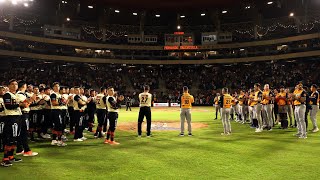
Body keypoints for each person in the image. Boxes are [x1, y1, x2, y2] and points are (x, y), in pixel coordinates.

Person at [1, 79, 25, 167]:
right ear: (9, 86)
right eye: (12, 84)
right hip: (11, 118)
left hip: (18, 117)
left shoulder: (15, 95)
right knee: (10, 138)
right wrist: (20, 104)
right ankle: (5, 158)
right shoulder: (7, 95)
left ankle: (11, 156)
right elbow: (8, 106)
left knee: (15, 138)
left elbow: (18, 106)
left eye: (16, 84)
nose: (14, 86)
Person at [15, 81, 38, 156]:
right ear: (24, 86)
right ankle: (27, 150)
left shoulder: (22, 94)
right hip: (23, 114)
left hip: (23, 114)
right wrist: (31, 99)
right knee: (24, 132)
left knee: (21, 132)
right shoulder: (20, 94)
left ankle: (19, 149)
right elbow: (24, 105)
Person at [50, 82, 67, 146]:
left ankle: (54, 140)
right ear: (53, 87)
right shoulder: (53, 94)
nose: (57, 87)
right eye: (56, 86)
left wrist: (62, 102)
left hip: (60, 110)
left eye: (58, 86)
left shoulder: (59, 95)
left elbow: (64, 102)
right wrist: (61, 102)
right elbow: (54, 103)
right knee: (59, 126)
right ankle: (59, 140)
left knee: (57, 126)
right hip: (56, 111)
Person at [0, 86, 6, 153]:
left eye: (3, 90)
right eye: (0, 90)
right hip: (1, 117)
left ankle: (4, 145)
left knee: (5, 133)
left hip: (6, 117)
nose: (2, 91)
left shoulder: (6, 98)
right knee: (1, 132)